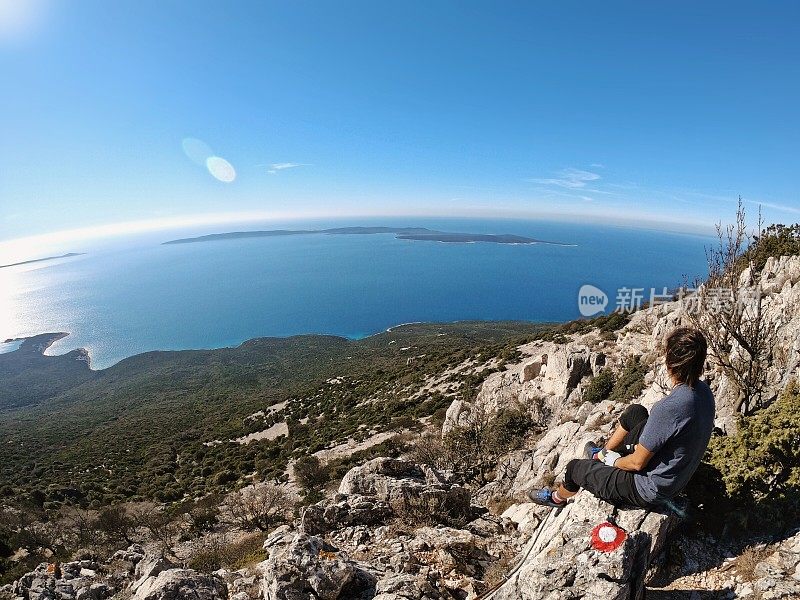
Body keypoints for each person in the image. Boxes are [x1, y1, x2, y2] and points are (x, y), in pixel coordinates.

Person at [531, 326, 714, 510]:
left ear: (671, 362)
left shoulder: (668, 408)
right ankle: (598, 456)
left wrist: (614, 462)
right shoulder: (703, 392)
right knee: (636, 412)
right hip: (675, 476)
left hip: (648, 488)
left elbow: (636, 463)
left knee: (573, 469)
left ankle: (556, 498)